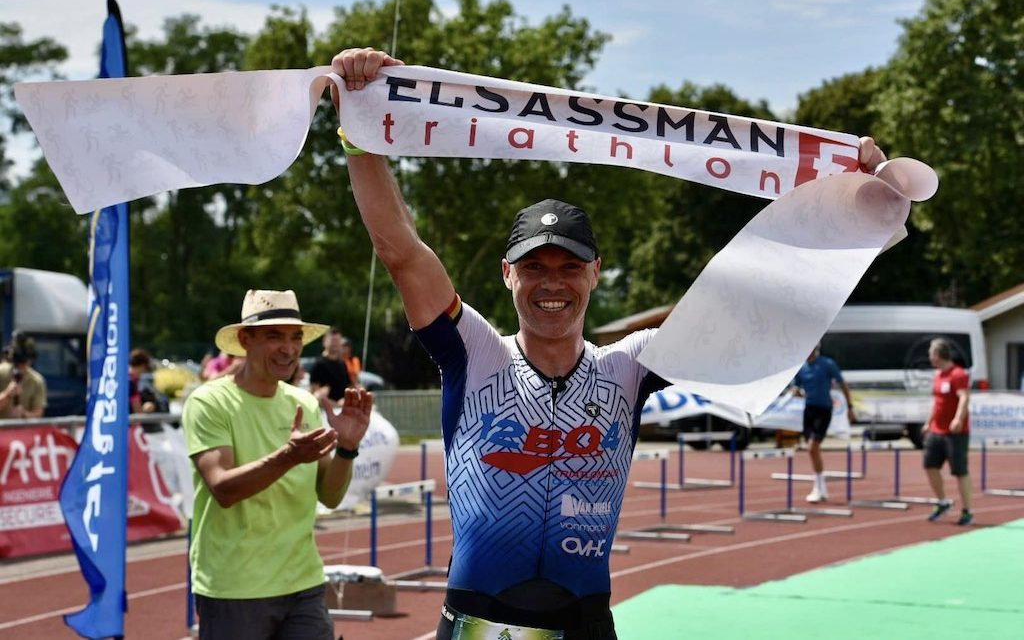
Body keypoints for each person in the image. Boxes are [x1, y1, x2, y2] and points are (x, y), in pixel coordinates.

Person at [331, 46, 887, 639]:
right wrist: (360, 133)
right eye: (534, 267)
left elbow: (753, 308)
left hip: (585, 623)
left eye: (568, 268)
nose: (551, 283)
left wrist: (853, 208)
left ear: (595, 272)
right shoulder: (476, 353)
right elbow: (402, 252)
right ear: (507, 273)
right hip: (477, 624)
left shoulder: (631, 366)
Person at [182, 289, 373, 640]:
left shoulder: (304, 403)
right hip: (235, 589)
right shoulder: (209, 402)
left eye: (295, 337)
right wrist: (288, 457)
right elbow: (222, 488)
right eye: (274, 336)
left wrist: (347, 448)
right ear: (245, 339)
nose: (288, 348)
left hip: (304, 585)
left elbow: (329, 496)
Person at [791, 343, 854, 503]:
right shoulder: (802, 367)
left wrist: (850, 407)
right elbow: (796, 387)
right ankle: (821, 487)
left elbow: (843, 384)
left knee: (813, 447)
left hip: (824, 410)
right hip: (809, 410)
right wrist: (795, 392)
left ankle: (819, 487)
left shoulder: (827, 364)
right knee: (811, 450)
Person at [922, 337, 972, 526]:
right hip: (936, 431)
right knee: (929, 465)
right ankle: (943, 502)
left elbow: (964, 398)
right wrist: (928, 423)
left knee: (960, 471)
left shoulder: (958, 374)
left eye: (930, 354)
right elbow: (937, 403)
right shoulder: (937, 376)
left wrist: (958, 418)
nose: (929, 357)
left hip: (955, 433)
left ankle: (967, 511)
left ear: (937, 354)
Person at [0, 340, 47, 419]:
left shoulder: (36, 381)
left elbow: (38, 414)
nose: (21, 368)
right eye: (18, 364)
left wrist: (24, 414)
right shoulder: (1, 373)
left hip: (22, 429)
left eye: (24, 364)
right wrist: (7, 394)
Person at [309, 327, 353, 406]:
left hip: (343, 409)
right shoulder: (319, 364)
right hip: (325, 412)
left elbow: (349, 387)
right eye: (333, 340)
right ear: (325, 342)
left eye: (338, 341)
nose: (335, 343)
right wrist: (336, 405)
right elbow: (315, 393)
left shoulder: (342, 364)